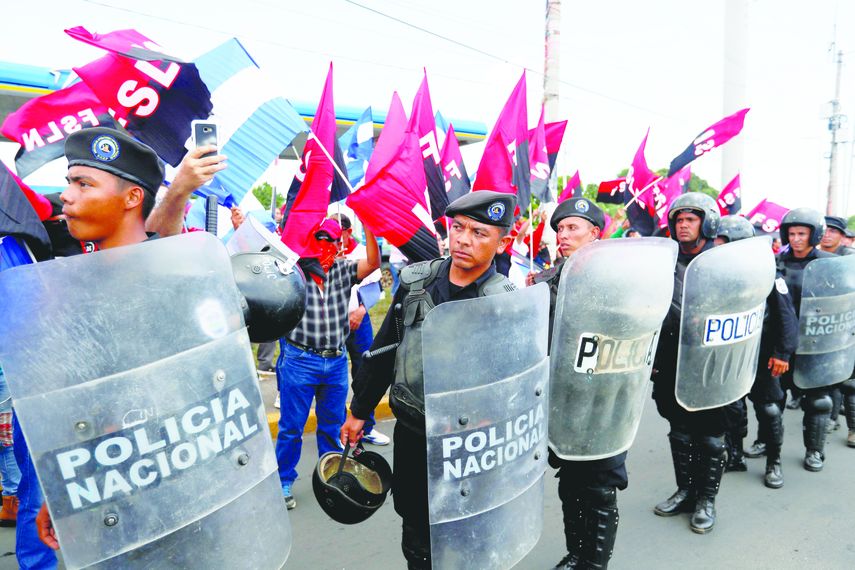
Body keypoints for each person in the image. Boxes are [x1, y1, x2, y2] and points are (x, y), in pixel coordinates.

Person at [340, 190, 515, 570]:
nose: (464, 240)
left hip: (472, 444)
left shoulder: (508, 302)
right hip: (415, 432)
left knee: (470, 529)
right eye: (458, 228)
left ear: (504, 241)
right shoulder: (417, 284)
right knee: (417, 528)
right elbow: (384, 349)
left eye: (479, 233)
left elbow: (520, 384)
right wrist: (359, 411)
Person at [25, 127, 168, 566]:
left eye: (83, 183)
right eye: (69, 182)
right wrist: (63, 487)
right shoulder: (79, 284)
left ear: (131, 199)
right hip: (102, 496)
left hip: (168, 495)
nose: (66, 196)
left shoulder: (172, 280)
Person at [528, 198, 626, 570]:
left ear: (595, 234)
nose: (563, 235)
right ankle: (577, 553)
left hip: (604, 398)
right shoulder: (543, 282)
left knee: (600, 486)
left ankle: (595, 563)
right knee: (571, 482)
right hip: (563, 400)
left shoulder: (618, 282)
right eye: (560, 229)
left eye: (573, 228)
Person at [276, 217, 379, 509]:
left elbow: (372, 263)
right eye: (320, 239)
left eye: (332, 240)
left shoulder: (344, 270)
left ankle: (331, 475)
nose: (326, 246)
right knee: (291, 427)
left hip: (334, 362)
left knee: (332, 426)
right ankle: (284, 480)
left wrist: (369, 223)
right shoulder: (294, 272)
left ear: (340, 243)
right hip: (300, 360)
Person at [651, 192, 730, 534]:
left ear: (707, 223)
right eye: (679, 219)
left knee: (710, 437)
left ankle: (706, 500)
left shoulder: (724, 264)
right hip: (670, 363)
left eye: (691, 219)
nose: (683, 225)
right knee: (680, 433)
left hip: (712, 365)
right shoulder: (662, 264)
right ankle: (685, 491)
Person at [715, 216, 798, 488]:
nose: (716, 246)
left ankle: (774, 462)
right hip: (730, 355)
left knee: (769, 409)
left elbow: (787, 317)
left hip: (763, 355)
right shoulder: (715, 275)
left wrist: (783, 354)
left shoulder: (767, 273)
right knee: (730, 408)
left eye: (722, 241)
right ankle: (735, 454)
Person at [775, 209, 845, 472]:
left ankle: (815, 450)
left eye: (802, 233)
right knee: (773, 399)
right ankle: (765, 441)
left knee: (818, 400)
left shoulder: (829, 264)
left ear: (813, 234)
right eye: (791, 234)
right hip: (782, 342)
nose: (796, 239)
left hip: (816, 342)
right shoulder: (777, 263)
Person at [332, 213, 389, 446]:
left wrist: (361, 310)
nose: (335, 237)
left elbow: (376, 286)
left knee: (364, 370)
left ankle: (367, 426)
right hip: (334, 322)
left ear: (347, 231)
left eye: (338, 232)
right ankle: (338, 430)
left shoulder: (360, 253)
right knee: (334, 377)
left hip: (358, 321)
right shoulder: (328, 251)